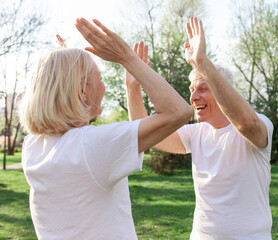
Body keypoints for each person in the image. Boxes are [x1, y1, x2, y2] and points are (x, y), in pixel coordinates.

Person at [19, 18, 193, 239]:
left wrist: (132, 88)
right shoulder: (89, 145)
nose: (103, 86)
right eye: (99, 78)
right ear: (82, 91)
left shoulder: (34, 144)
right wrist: (126, 58)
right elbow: (179, 111)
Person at [126, 17, 274, 239]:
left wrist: (202, 62)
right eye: (192, 89)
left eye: (202, 89)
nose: (193, 97)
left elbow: (246, 124)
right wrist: (132, 87)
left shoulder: (259, 123)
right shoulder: (195, 133)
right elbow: (146, 134)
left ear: (222, 90)